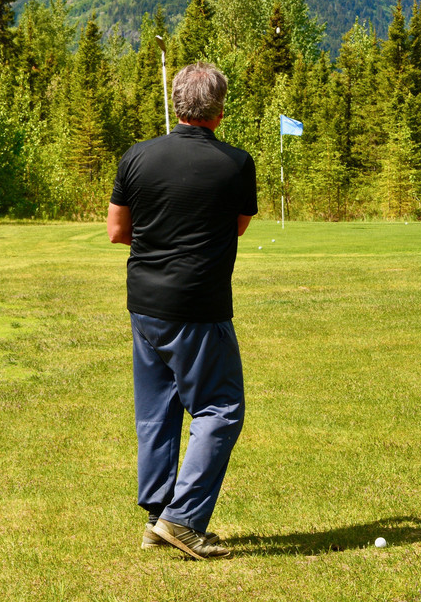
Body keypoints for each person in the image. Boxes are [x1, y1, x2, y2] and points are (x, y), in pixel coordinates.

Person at [107, 61, 257, 560]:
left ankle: (156, 516)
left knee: (157, 411)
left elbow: (117, 231)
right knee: (221, 409)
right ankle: (183, 518)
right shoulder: (236, 163)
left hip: (145, 305)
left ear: (178, 104)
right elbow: (237, 228)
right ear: (218, 109)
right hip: (199, 306)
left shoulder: (136, 157)